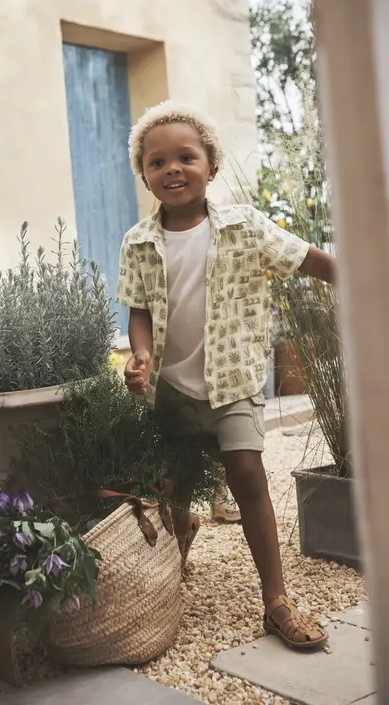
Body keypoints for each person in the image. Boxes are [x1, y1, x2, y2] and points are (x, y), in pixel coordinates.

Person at [116, 101, 335, 651]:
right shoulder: (138, 242)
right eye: (157, 160)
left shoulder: (245, 227)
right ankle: (171, 571)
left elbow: (307, 258)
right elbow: (138, 310)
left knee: (246, 472)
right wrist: (138, 356)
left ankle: (276, 601)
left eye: (185, 157)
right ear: (143, 173)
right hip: (171, 385)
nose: (172, 169)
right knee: (176, 486)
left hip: (232, 379)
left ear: (210, 167)